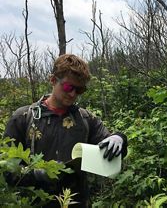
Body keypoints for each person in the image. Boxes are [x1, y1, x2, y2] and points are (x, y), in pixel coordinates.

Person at [3, 54, 128, 208]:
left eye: (79, 90)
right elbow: (7, 170)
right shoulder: (23, 118)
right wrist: (38, 174)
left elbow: (109, 149)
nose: (73, 94)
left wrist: (119, 139)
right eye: (69, 87)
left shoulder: (85, 119)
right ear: (53, 80)